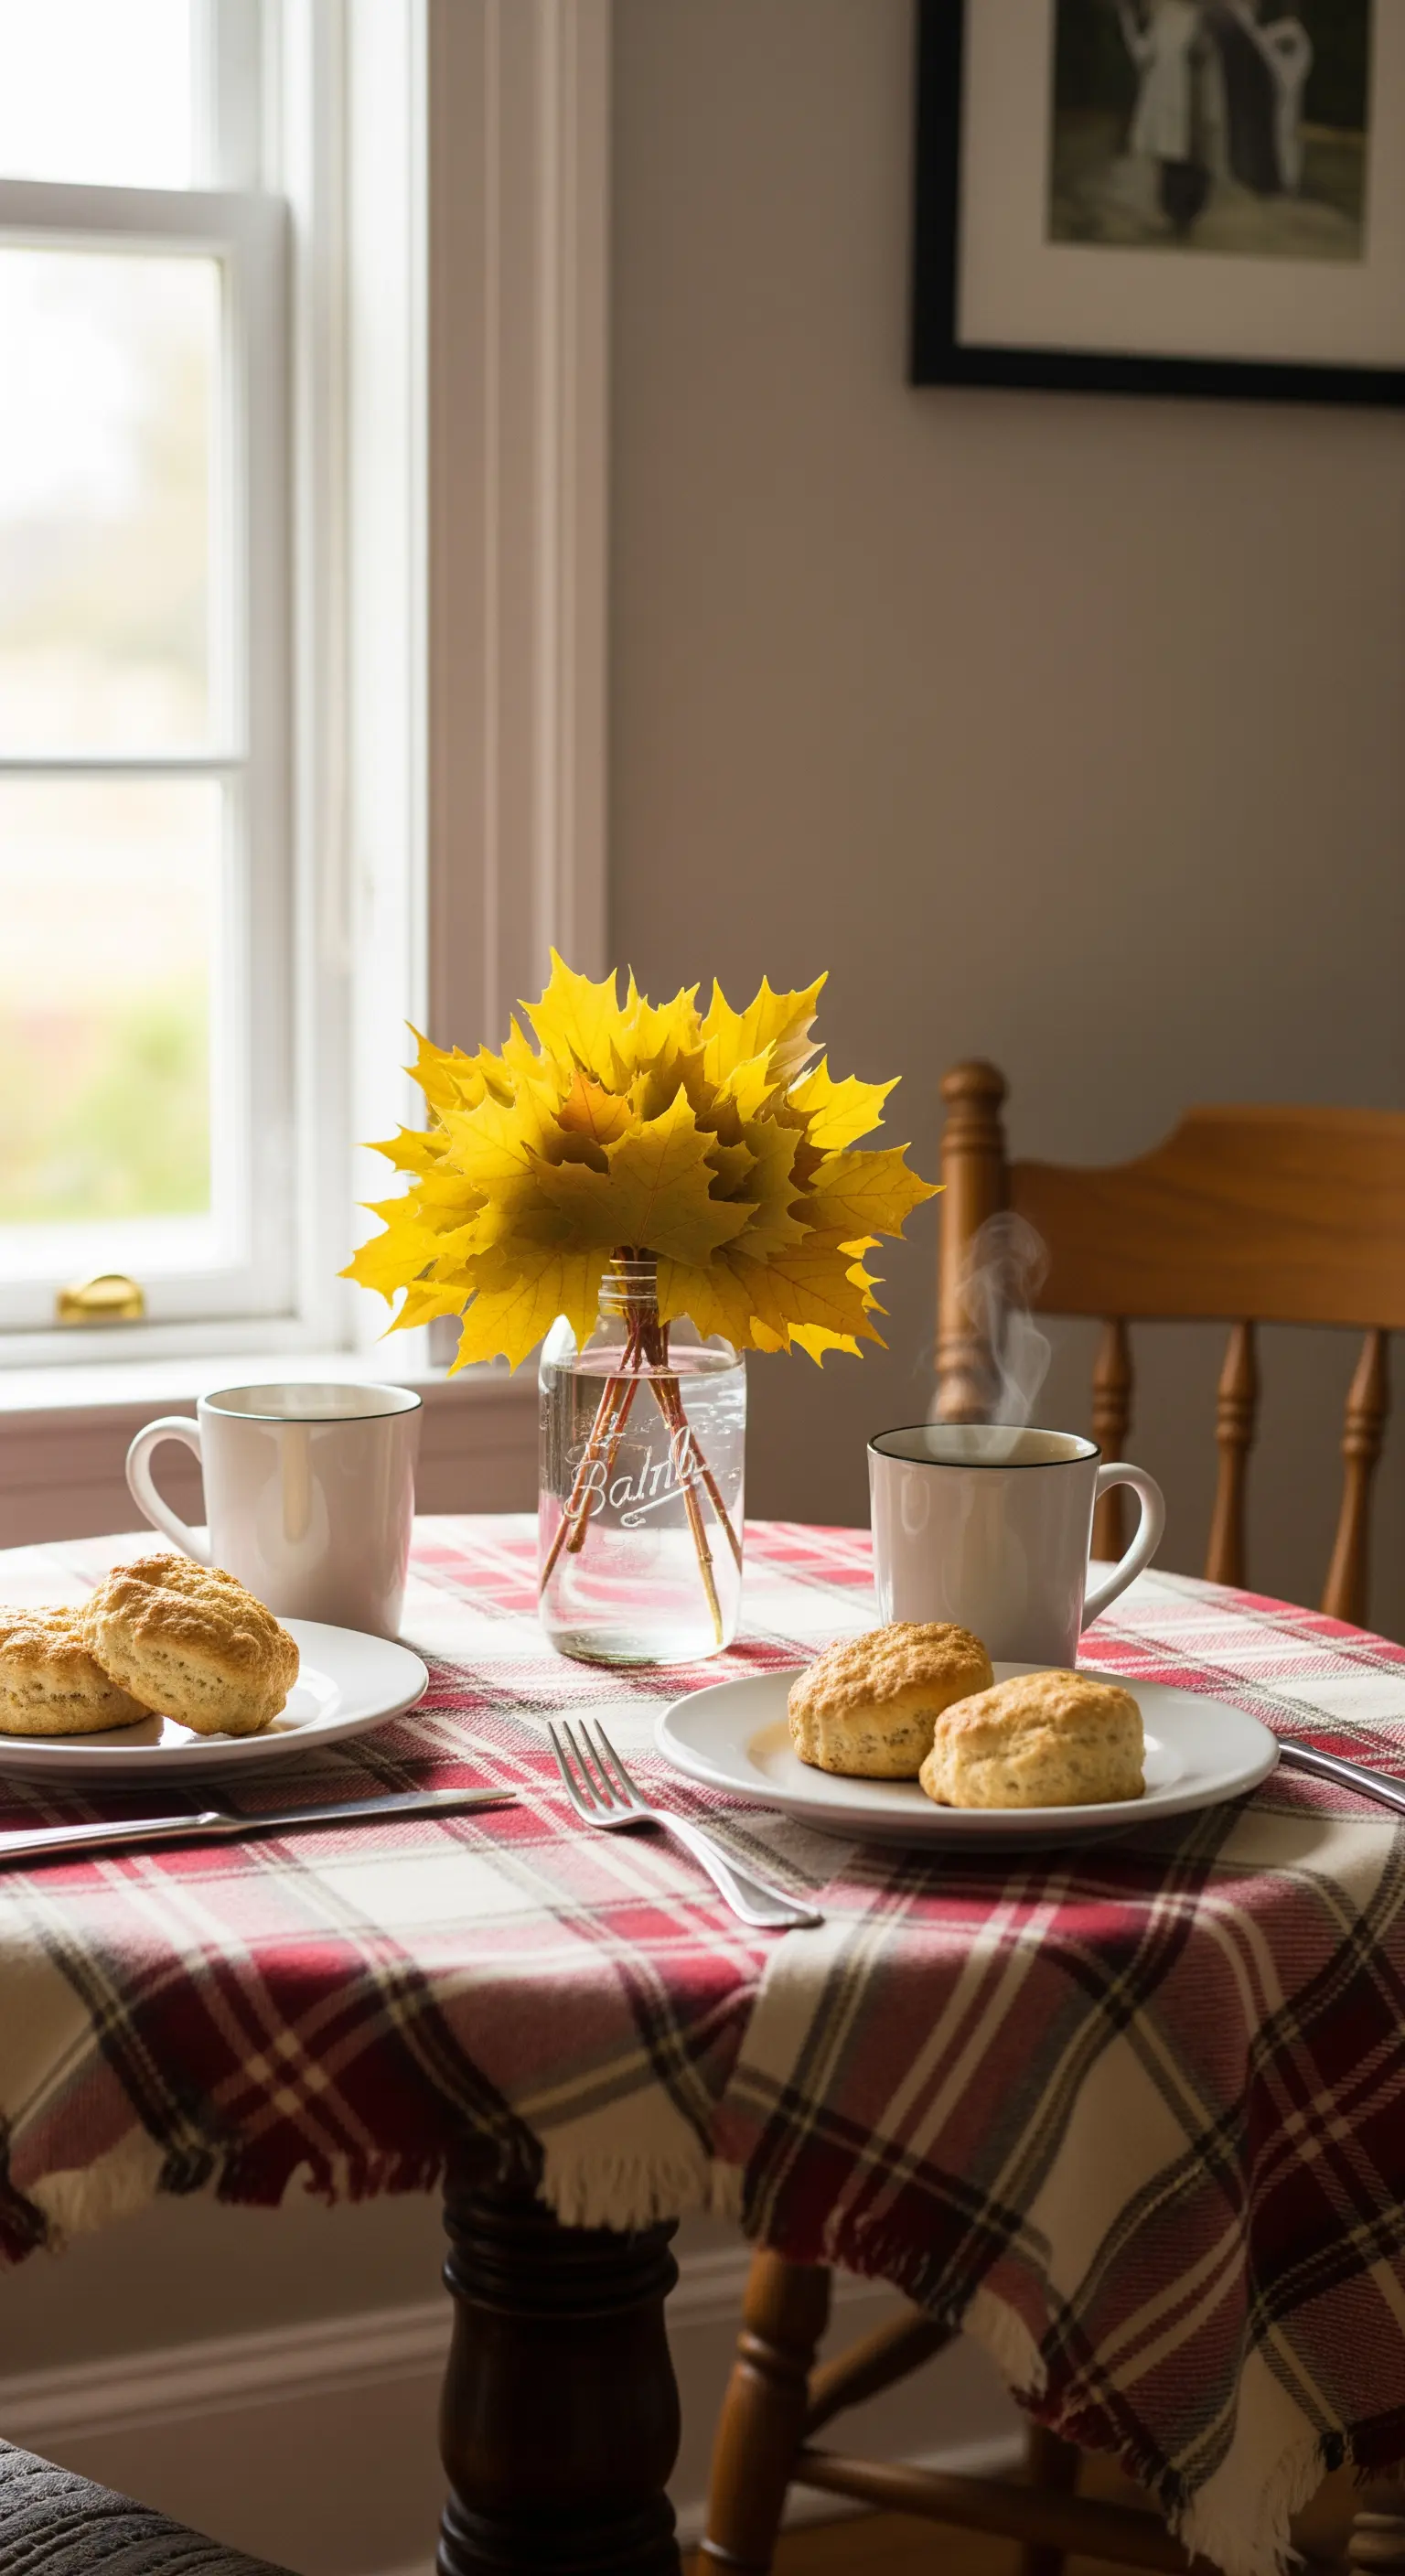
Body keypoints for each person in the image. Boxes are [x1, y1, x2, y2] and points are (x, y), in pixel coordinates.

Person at [1114, 0, 1214, 236]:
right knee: (1171, 160)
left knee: (1189, 161)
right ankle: (1176, 218)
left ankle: (1184, 217)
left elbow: (1205, 59)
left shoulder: (1202, 21)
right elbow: (1142, 54)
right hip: (1166, 107)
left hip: (1191, 108)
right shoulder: (1163, 20)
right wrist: (1126, 19)